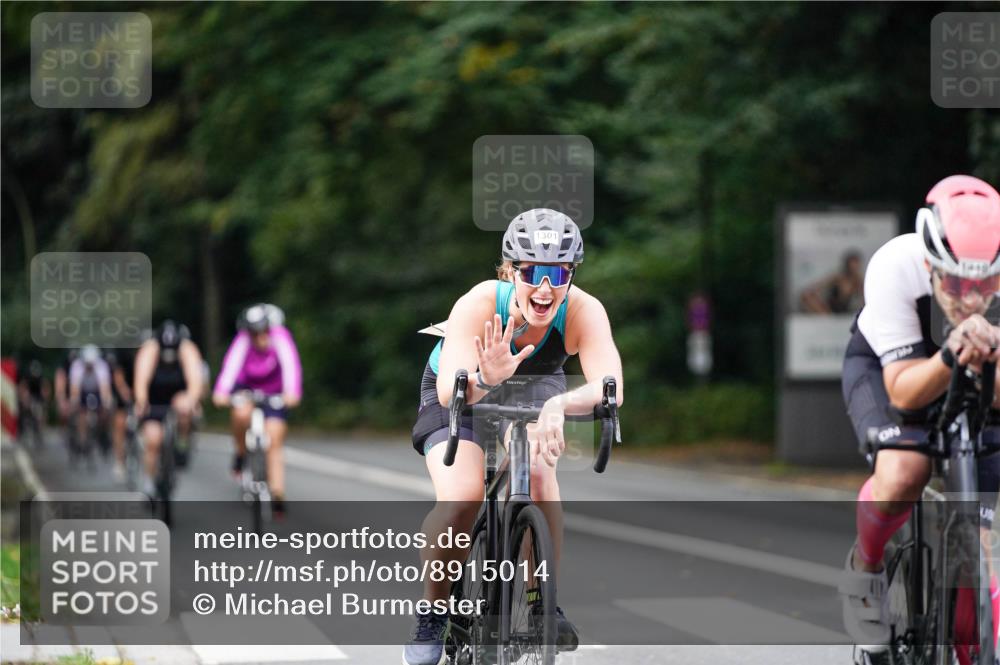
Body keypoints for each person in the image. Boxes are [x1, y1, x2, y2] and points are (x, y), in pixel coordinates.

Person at [403, 209, 624, 665]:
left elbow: (611, 385)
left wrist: (559, 406)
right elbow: (451, 391)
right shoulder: (480, 303)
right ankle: (434, 611)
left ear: (571, 275)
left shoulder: (583, 311)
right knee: (463, 496)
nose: (545, 288)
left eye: (558, 273)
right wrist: (487, 373)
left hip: (536, 386)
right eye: (532, 272)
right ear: (510, 271)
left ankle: (544, 601)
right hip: (463, 387)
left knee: (540, 473)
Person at [839, 175, 1000, 665]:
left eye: (985, 285)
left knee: (987, 529)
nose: (969, 298)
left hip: (984, 375)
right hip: (895, 367)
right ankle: (865, 571)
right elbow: (904, 392)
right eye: (953, 282)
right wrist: (952, 354)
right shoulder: (895, 263)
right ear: (930, 263)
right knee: (903, 472)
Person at [212, 304, 301, 517]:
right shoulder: (243, 341)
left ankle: (277, 494)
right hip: (247, 389)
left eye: (263, 331)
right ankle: (240, 454)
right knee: (241, 414)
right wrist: (221, 391)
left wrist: (292, 392)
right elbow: (230, 366)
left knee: (275, 437)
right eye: (254, 332)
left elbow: (291, 366)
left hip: (274, 393)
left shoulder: (280, 337)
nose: (260, 337)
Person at [133, 321, 204, 497]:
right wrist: (141, 402)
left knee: (184, 405)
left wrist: (193, 399)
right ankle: (149, 482)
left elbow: (195, 379)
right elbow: (141, 379)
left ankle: (182, 443)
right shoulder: (149, 349)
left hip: (177, 396)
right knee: (153, 440)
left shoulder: (187, 349)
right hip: (154, 400)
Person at [67, 344, 113, 460]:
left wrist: (106, 402)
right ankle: (82, 440)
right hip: (83, 391)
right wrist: (74, 401)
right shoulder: (77, 366)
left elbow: (104, 387)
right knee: (81, 414)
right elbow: (75, 388)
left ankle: (103, 435)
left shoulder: (101, 366)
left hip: (96, 391)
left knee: (105, 412)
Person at [105, 348, 135, 480]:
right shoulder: (124, 353)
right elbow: (118, 375)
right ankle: (119, 461)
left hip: (145, 390)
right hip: (124, 391)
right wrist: (125, 393)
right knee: (120, 424)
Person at [17, 359, 50, 448]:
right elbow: (22, 388)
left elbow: (46, 389)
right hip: (30, 397)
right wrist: (24, 399)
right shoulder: (27, 378)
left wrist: (45, 400)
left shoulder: (41, 379)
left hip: (38, 398)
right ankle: (22, 430)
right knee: (22, 411)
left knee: (40, 414)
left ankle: (39, 431)